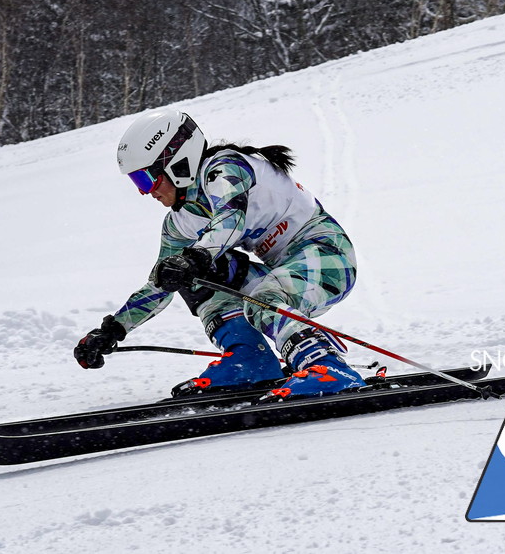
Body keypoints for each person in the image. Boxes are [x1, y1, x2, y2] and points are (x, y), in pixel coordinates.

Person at [74, 108, 366, 399]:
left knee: (257, 296)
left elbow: (230, 219)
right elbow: (159, 284)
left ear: (177, 163)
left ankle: (328, 367)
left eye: (146, 179)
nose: (146, 192)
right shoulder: (180, 221)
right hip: (281, 271)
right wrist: (113, 330)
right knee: (184, 275)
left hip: (328, 257)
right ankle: (250, 360)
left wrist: (193, 259)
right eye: (137, 183)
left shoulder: (225, 168)